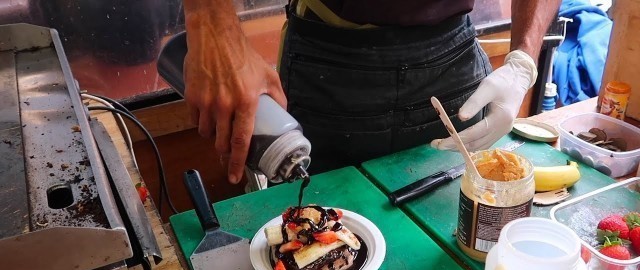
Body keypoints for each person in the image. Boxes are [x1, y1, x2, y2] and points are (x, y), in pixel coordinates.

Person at [183, 0, 561, 184]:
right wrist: (211, 23)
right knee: (311, 233)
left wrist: (523, 62)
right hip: (332, 60)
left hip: (453, 64)